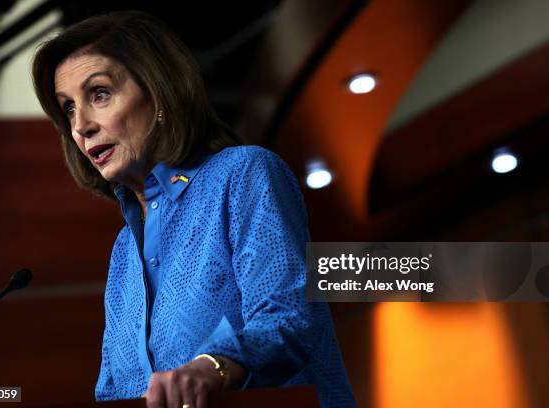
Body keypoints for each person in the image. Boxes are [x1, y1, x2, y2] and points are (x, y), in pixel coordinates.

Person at [31, 10, 356, 408]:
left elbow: (287, 319)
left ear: (159, 92)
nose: (81, 125)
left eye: (98, 94)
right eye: (68, 108)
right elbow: (114, 388)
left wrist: (213, 367)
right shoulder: (122, 252)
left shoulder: (243, 174)